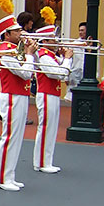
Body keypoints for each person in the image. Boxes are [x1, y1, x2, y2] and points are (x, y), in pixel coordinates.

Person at [0, 11, 38, 192]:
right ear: (7, 34)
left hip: (20, 95)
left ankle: (9, 175)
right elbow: (25, 73)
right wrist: (29, 55)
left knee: (17, 138)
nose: (21, 34)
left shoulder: (14, 50)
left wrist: (29, 54)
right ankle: (2, 177)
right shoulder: (5, 52)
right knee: (10, 137)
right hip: (11, 97)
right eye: (16, 32)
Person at [32, 25, 72, 173]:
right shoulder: (43, 56)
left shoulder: (51, 56)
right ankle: (41, 162)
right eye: (53, 38)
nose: (57, 41)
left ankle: (46, 160)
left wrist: (65, 58)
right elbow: (59, 74)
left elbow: (67, 74)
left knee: (52, 128)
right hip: (46, 95)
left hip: (52, 94)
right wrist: (67, 59)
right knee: (46, 128)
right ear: (45, 40)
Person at [65, 21, 87, 101]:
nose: (80, 32)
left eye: (82, 30)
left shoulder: (92, 45)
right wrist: (66, 77)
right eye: (79, 30)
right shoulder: (74, 45)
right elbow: (69, 60)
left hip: (86, 76)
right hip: (74, 76)